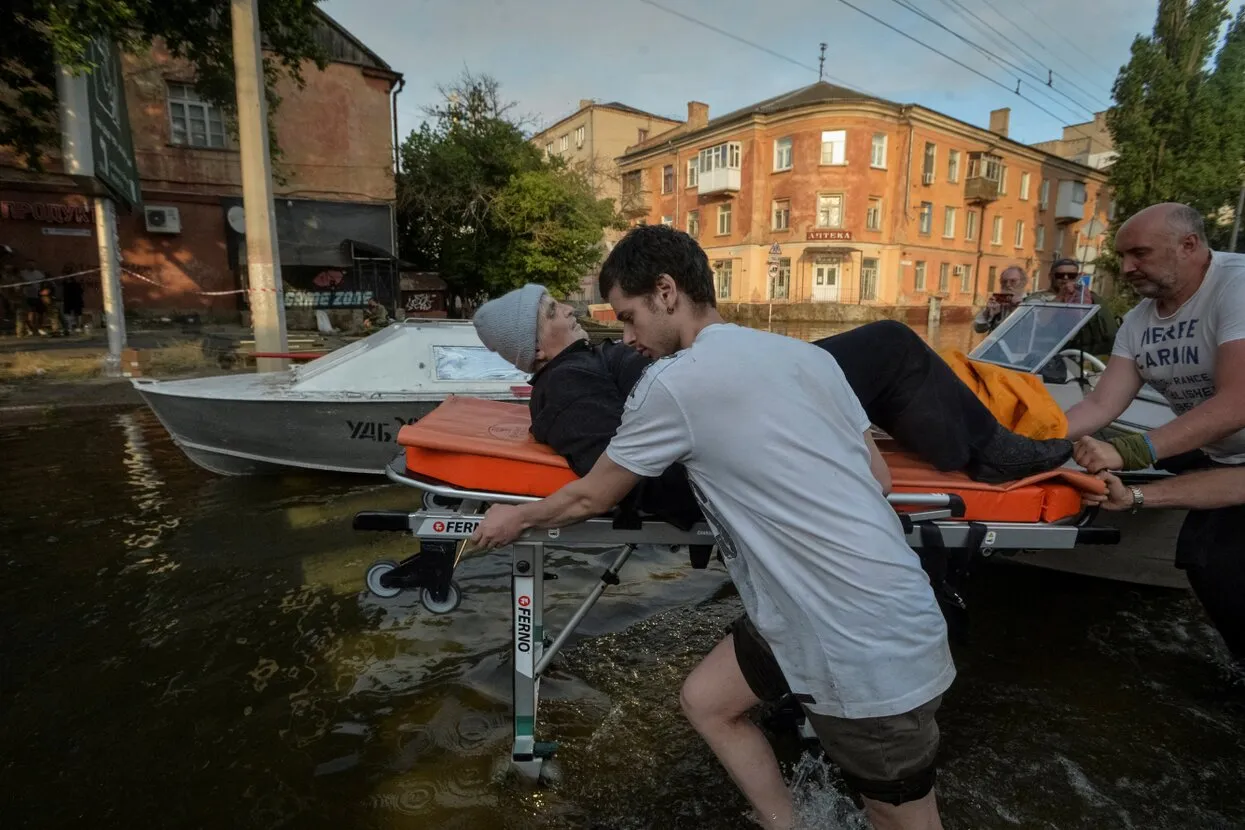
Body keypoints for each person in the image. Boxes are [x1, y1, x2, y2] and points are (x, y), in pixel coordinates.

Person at [471, 225, 957, 830]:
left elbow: (590, 496)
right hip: (847, 609)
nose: (626, 338)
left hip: (860, 644)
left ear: (667, 292)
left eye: (628, 318)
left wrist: (515, 516)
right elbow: (879, 478)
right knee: (708, 702)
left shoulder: (675, 383)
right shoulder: (807, 358)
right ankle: (788, 823)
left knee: (900, 817)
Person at [1065, 202, 1245, 662]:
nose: (1126, 267)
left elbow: (1236, 403)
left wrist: (1131, 450)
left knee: (1210, 561)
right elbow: (1102, 403)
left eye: (1139, 254)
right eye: (1123, 256)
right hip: (1219, 451)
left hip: (1233, 447)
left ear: (1189, 246)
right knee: (1092, 476)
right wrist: (1030, 439)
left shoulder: (1236, 285)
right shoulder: (1140, 320)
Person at [1023, 258, 1119, 356]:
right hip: (1044, 355)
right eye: (1060, 275)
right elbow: (1040, 321)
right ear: (1051, 276)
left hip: (1078, 356)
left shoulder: (1086, 298)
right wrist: (1061, 296)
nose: (1066, 278)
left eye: (1071, 276)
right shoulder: (1037, 298)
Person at [973, 265, 1027, 333]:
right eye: (1004, 281)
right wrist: (987, 312)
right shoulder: (997, 302)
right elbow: (978, 329)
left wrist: (1018, 306)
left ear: (1023, 282)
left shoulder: (1031, 303)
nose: (1008, 285)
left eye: (1013, 281)